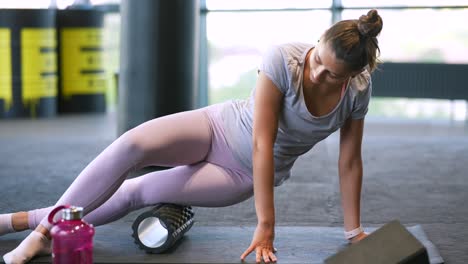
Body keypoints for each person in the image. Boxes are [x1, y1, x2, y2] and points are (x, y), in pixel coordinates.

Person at [0, 9, 383, 264]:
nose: (318, 75)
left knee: (138, 192)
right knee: (131, 145)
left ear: (353, 75)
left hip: (242, 175)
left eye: (333, 74)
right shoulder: (283, 59)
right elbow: (261, 139)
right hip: (218, 125)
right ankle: (41, 231)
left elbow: (349, 161)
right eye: (318, 60)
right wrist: (266, 223)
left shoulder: (356, 94)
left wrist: (354, 232)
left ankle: (26, 226)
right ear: (317, 42)